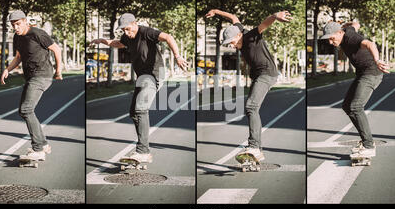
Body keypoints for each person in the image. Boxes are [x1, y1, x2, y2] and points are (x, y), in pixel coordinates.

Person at [90, 13, 188, 163]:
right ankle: (144, 150)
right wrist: (102, 41)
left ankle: (143, 151)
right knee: (134, 113)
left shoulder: (145, 32)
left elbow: (168, 37)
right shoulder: (127, 37)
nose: (127, 33)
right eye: (124, 31)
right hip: (142, 77)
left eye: (128, 29)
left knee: (141, 109)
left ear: (135, 23)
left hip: (154, 74)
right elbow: (117, 43)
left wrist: (178, 56)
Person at [205, 9, 292, 161]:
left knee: (251, 107)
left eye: (231, 42)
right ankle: (257, 147)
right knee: (251, 108)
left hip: (267, 74)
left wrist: (274, 16)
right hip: (258, 75)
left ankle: (254, 146)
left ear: (239, 35)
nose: (231, 46)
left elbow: (263, 25)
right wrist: (215, 11)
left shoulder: (251, 36)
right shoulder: (237, 28)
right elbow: (233, 17)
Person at [320, 21, 389, 157]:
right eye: (328, 39)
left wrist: (377, 60)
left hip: (371, 72)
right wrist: (347, 24)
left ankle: (369, 145)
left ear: (340, 33)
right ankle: (366, 141)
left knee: (356, 106)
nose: (330, 42)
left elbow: (370, 44)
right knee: (347, 106)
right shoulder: (348, 30)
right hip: (362, 73)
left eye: (332, 38)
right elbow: (357, 24)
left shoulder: (351, 38)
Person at [0, 10, 62, 161]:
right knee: (23, 111)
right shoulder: (17, 37)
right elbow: (18, 57)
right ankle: (44, 144)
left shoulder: (37, 33)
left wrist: (59, 70)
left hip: (42, 75)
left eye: (18, 24)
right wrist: (7, 70)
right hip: (30, 76)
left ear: (25, 21)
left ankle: (38, 149)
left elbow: (56, 49)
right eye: (13, 25)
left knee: (26, 109)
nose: (16, 27)